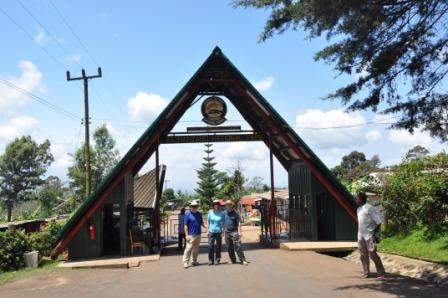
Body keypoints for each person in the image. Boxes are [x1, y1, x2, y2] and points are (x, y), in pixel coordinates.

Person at [356, 192, 386, 279]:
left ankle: (381, 273)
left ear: (361, 199)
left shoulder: (369, 208)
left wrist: (376, 234)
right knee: (362, 255)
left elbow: (379, 221)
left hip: (370, 235)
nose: (356, 200)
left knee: (372, 254)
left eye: (357, 198)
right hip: (360, 235)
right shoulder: (358, 209)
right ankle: (366, 273)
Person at [224, 200, 248, 265]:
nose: (228, 205)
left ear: (232, 205)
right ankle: (233, 260)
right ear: (225, 205)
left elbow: (239, 223)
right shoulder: (224, 213)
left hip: (234, 232)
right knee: (229, 247)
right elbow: (222, 223)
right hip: (227, 232)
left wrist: (240, 232)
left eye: (229, 204)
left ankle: (243, 260)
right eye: (227, 204)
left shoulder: (236, 213)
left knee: (238, 246)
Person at [182, 201, 206, 269]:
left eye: (196, 206)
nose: (194, 207)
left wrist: (206, 227)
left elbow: (201, 223)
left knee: (196, 249)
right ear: (191, 207)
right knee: (188, 248)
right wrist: (186, 235)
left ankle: (194, 261)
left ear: (197, 207)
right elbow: (185, 225)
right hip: (191, 235)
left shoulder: (199, 214)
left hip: (198, 234)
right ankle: (185, 262)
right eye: (193, 206)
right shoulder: (187, 214)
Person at [207, 200, 225, 265]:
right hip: (211, 231)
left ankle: (217, 259)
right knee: (210, 246)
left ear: (219, 206)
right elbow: (208, 222)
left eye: (217, 204)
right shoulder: (210, 212)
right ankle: (210, 260)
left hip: (219, 232)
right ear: (213, 206)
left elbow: (223, 223)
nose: (216, 205)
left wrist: (223, 232)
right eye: (215, 204)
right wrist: (207, 231)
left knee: (218, 246)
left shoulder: (222, 213)